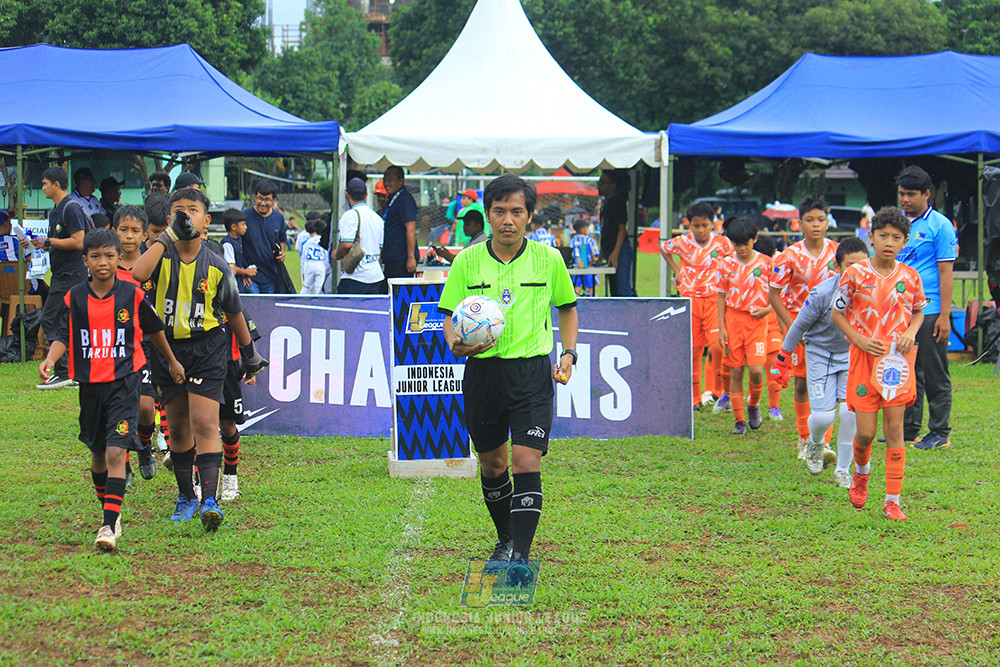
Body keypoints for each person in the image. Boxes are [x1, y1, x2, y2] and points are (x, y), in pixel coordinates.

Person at [438, 174, 578, 584]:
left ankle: (520, 553)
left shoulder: (549, 259)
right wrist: (456, 343)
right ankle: (504, 538)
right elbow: (449, 317)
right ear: (487, 214)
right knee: (493, 464)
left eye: (517, 211)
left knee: (526, 459)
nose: (507, 220)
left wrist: (568, 353)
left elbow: (567, 308)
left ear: (530, 216)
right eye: (499, 211)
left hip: (532, 372)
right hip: (483, 373)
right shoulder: (467, 261)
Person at [38, 228, 185, 551]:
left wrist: (172, 361)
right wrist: (50, 360)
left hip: (125, 383)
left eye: (109, 255)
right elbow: (63, 334)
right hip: (90, 386)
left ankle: (108, 524)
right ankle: (110, 510)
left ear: (119, 259)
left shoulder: (131, 295)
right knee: (98, 453)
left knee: (117, 451)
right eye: (95, 256)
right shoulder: (74, 297)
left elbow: (155, 330)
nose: (102, 262)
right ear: (85, 261)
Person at [132, 187, 267, 531]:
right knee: (177, 428)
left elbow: (235, 312)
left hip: (207, 348)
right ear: (168, 219)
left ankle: (209, 498)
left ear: (206, 221)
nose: (185, 216)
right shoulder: (159, 257)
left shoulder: (218, 266)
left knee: (206, 424)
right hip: (168, 350)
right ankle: (185, 496)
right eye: (178, 211)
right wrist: (165, 237)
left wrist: (250, 354)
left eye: (192, 210)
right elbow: (137, 274)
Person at [831, 207, 925, 521]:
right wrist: (857, 339)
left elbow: (918, 312)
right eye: (882, 235)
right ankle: (861, 473)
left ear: (905, 242)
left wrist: (911, 332)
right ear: (871, 237)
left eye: (896, 237)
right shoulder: (854, 273)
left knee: (895, 428)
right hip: (862, 360)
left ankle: (892, 500)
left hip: (897, 363)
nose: (888, 242)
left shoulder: (911, 277)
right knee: (866, 433)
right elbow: (837, 313)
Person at [772, 236, 870, 485]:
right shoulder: (823, 292)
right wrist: (782, 358)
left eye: (862, 265)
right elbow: (798, 326)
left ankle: (843, 470)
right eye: (850, 266)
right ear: (837, 267)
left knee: (850, 414)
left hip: (852, 356)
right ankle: (815, 443)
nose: (857, 272)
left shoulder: (872, 292)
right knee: (824, 418)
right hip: (819, 354)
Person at [768, 196, 839, 458]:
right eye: (810, 220)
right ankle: (803, 437)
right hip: (801, 327)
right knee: (802, 384)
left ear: (828, 222)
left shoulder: (838, 252)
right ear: (800, 223)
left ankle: (824, 442)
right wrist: (792, 328)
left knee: (827, 384)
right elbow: (774, 295)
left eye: (821, 219)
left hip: (832, 328)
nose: (816, 225)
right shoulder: (790, 255)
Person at [895, 166, 957, 450]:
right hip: (900, 309)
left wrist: (945, 315)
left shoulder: (940, 225)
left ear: (926, 194)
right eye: (901, 194)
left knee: (934, 371)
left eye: (910, 194)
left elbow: (946, 272)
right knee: (906, 370)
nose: (905, 199)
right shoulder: (897, 224)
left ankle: (940, 432)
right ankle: (909, 430)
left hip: (930, 307)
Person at [661, 202, 734, 410]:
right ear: (688, 225)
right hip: (690, 300)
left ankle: (719, 392)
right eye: (696, 226)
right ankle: (694, 399)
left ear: (713, 224)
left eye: (705, 225)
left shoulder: (723, 243)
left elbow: (732, 261)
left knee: (718, 347)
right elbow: (664, 248)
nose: (701, 230)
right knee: (693, 350)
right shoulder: (682, 242)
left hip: (713, 301)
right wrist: (677, 270)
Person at [113, 205, 160, 483]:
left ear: (144, 235)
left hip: (145, 346)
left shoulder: (151, 265)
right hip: (115, 348)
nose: (129, 236)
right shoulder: (105, 265)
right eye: (123, 230)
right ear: (113, 231)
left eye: (135, 231)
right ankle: (124, 462)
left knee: (145, 407)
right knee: (120, 408)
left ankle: (143, 446)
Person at [33, 167, 90, 390]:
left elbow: (79, 241)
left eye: (45, 183)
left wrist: (49, 242)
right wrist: (40, 243)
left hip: (71, 274)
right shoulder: (55, 210)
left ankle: (64, 371)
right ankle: (71, 370)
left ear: (57, 184)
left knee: (51, 318)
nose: (43, 187)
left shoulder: (71, 208)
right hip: (60, 273)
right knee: (66, 320)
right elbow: (56, 239)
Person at [715, 216, 772, 435]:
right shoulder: (725, 264)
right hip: (733, 321)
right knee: (736, 371)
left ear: (754, 239)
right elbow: (721, 297)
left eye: (746, 244)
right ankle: (739, 420)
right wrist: (722, 327)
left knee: (757, 371)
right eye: (737, 245)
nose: (742, 249)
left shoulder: (767, 263)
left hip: (756, 323)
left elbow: (776, 296)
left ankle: (753, 404)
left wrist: (766, 309)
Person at [752, 234, 785, 420]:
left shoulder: (778, 272)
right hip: (751, 328)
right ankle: (753, 403)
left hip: (772, 326)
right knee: (754, 369)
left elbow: (781, 299)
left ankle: (774, 407)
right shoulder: (746, 271)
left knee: (774, 368)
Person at [336, 177, 384, 295]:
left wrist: (336, 254)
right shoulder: (377, 218)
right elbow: (380, 248)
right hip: (376, 276)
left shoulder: (350, 215)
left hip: (356, 277)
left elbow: (346, 245)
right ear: (366, 194)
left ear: (347, 195)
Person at [241, 179, 287, 294]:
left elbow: (282, 240)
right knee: (253, 309)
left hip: (272, 276)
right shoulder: (244, 216)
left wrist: (282, 253)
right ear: (255, 197)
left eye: (267, 200)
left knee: (268, 310)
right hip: (251, 277)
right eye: (260, 198)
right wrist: (243, 271)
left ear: (274, 200)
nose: (263, 203)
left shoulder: (279, 218)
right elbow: (237, 243)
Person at [597, 169, 635, 296]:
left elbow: (621, 229)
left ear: (613, 185)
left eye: (603, 182)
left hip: (620, 250)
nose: (599, 185)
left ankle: (628, 314)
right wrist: (602, 255)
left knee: (623, 289)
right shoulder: (606, 203)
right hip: (610, 250)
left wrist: (615, 253)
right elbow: (605, 230)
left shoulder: (618, 202)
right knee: (614, 289)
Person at [381, 166, 418, 285]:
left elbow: (411, 228)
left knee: (399, 294)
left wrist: (411, 257)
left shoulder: (405, 200)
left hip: (401, 259)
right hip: (391, 257)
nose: (387, 183)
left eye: (390, 180)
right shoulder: (392, 199)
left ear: (401, 181)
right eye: (385, 179)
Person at [220, 208, 257, 294]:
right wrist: (246, 271)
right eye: (243, 225)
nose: (246, 227)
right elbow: (231, 268)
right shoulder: (227, 244)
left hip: (240, 282)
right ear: (233, 227)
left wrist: (243, 273)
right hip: (232, 286)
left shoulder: (239, 239)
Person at [569, 218, 600, 297]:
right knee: (590, 288)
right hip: (587, 266)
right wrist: (593, 261)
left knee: (576, 288)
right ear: (583, 229)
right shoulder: (589, 240)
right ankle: (592, 301)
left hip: (575, 267)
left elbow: (569, 254)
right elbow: (594, 255)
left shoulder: (572, 241)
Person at [300, 220, 327, 295]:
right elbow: (326, 255)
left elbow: (303, 256)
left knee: (306, 286)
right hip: (320, 263)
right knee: (319, 287)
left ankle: (301, 301)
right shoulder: (323, 241)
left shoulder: (309, 241)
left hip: (310, 263)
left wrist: (303, 270)